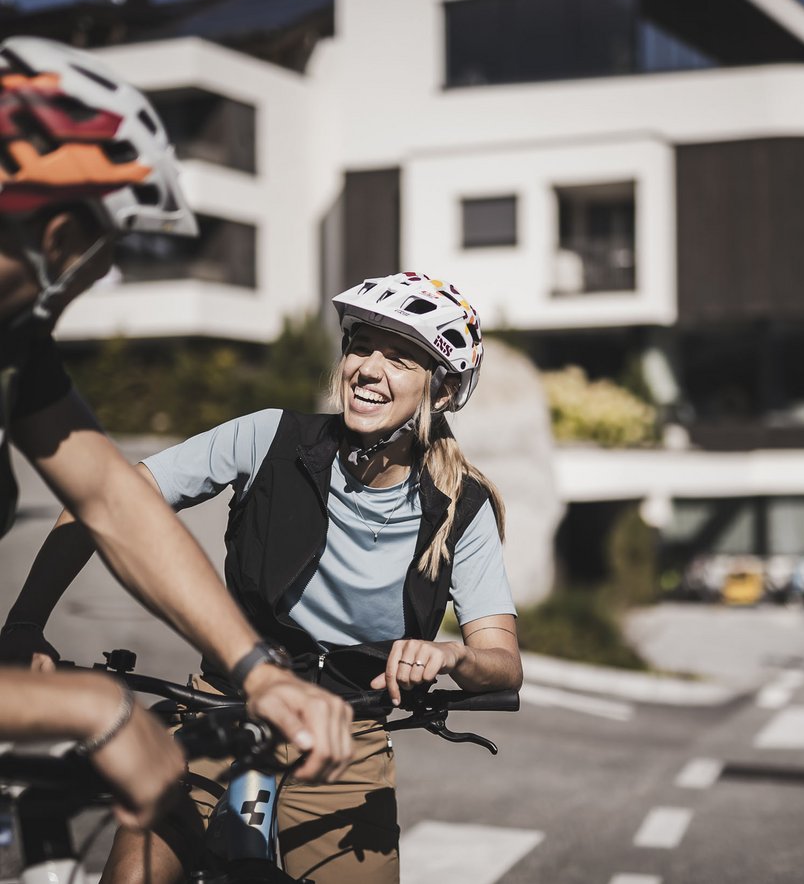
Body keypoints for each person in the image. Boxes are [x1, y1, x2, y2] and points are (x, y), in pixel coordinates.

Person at [4, 270, 522, 882]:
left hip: (344, 741)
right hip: (220, 709)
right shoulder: (268, 437)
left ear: (441, 391)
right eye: (361, 346)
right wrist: (25, 625)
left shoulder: (462, 506)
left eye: (402, 358)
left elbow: (502, 661)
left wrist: (449, 658)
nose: (369, 368)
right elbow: (101, 501)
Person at [0, 36, 354, 825]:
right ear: (61, 235)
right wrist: (93, 709)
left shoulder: (15, 344)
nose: (107, 275)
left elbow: (111, 497)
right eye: (113, 247)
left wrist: (259, 671)